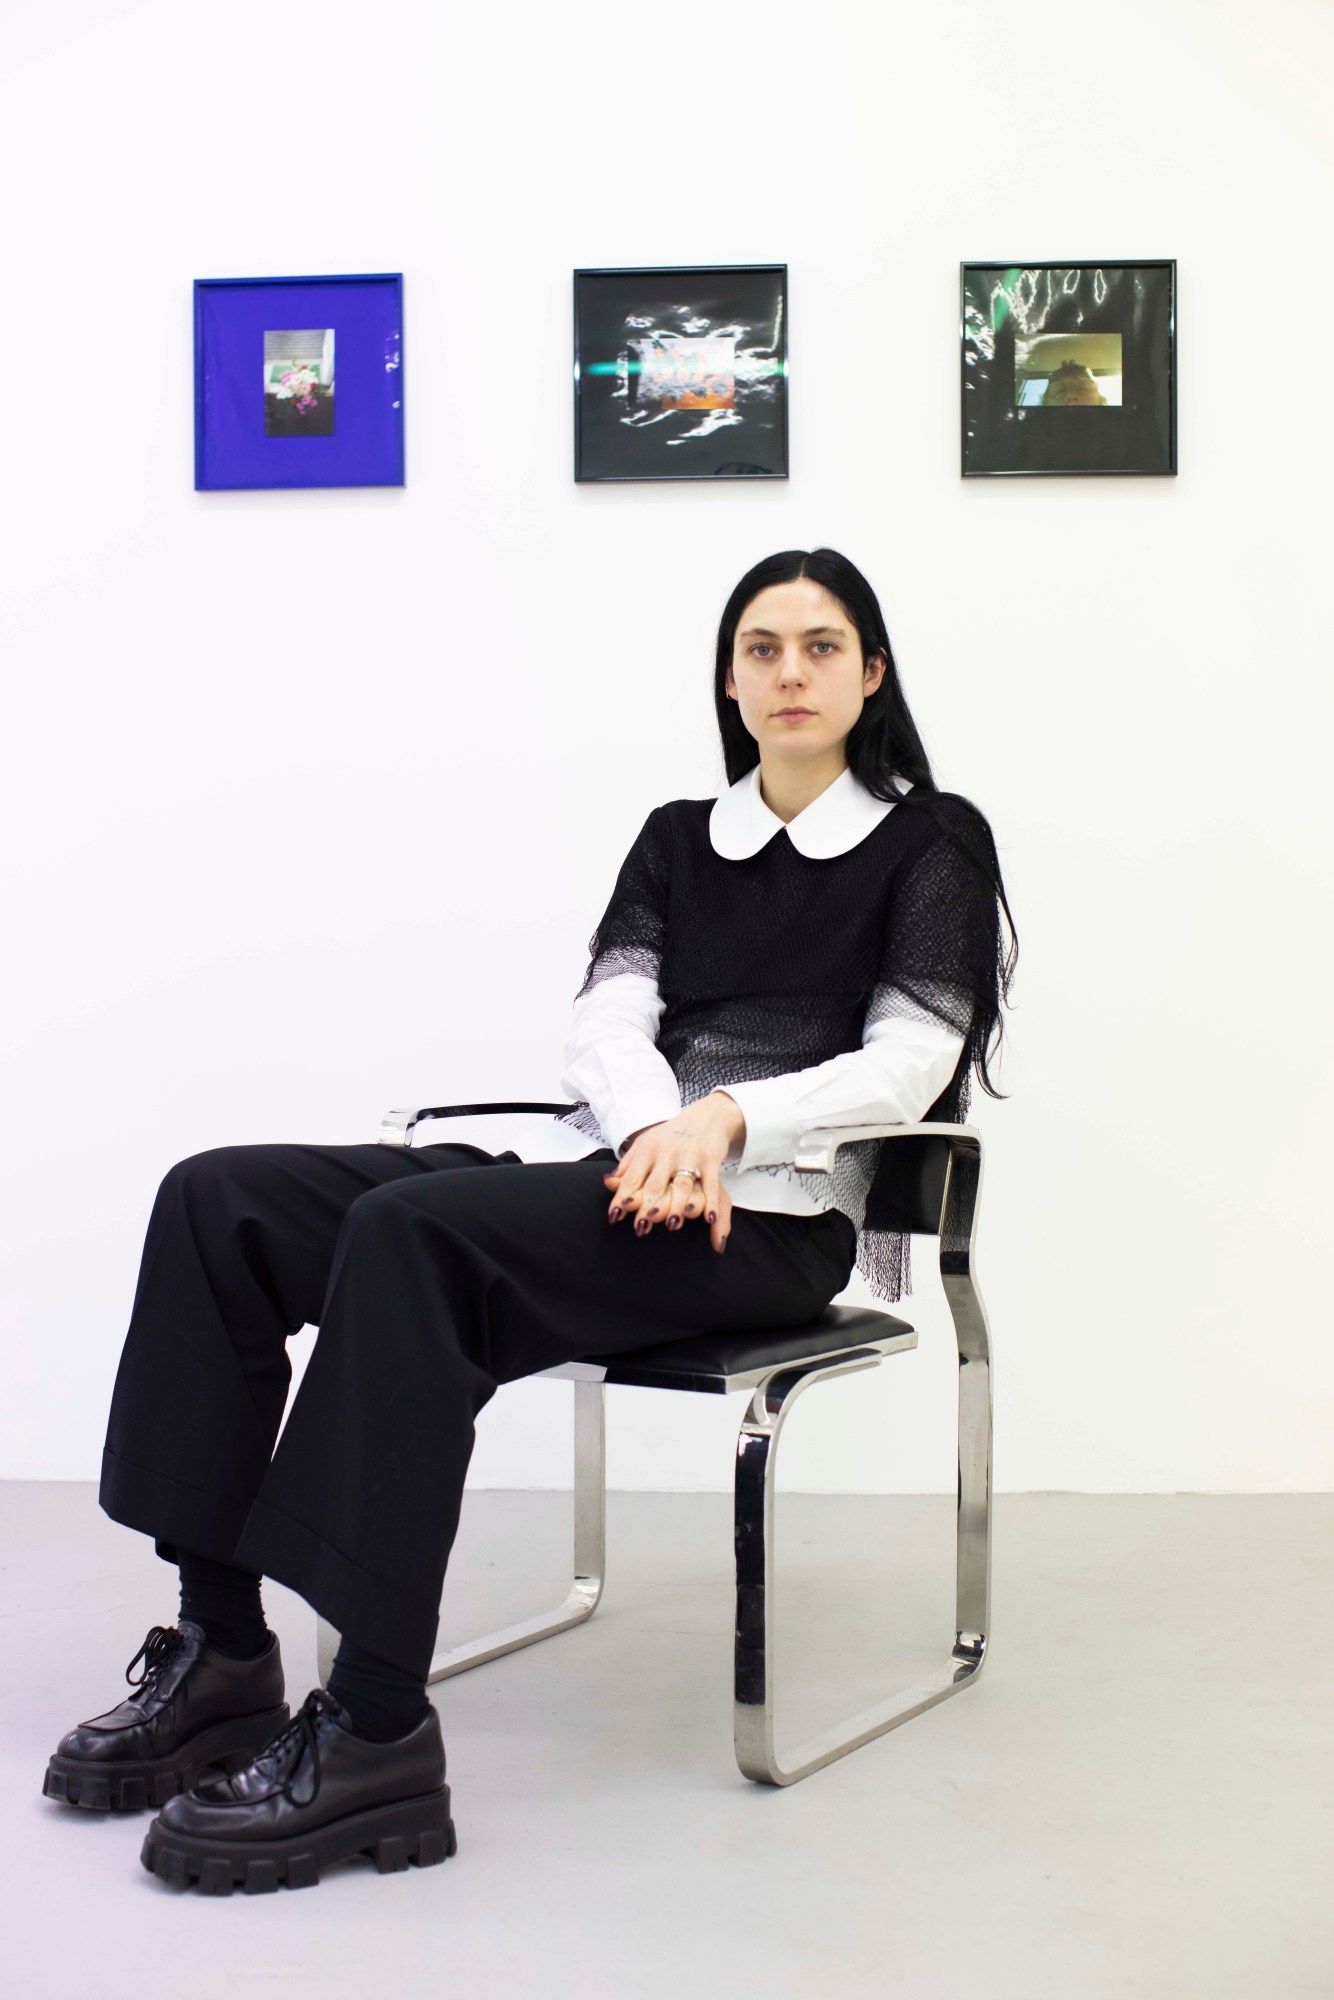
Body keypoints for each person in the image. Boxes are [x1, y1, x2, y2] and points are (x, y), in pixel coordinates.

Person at [42, 545, 1018, 1895]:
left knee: (414, 1239)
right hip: (610, 1175)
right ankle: (222, 1652)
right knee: (222, 1198)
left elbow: (906, 1062)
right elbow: (606, 1019)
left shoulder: (930, 844)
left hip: (770, 1221)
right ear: (730, 682)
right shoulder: (681, 838)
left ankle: (376, 1728)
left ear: (869, 673)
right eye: (760, 648)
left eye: (820, 645)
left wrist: (718, 1128)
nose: (789, 671)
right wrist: (645, 1133)